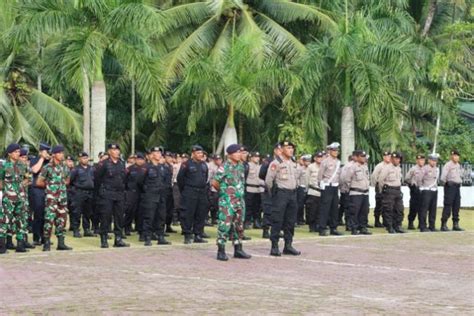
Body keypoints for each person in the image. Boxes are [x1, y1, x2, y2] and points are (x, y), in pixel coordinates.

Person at [212, 144, 251, 261]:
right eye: (237, 152)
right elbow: (215, 182)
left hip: (240, 200)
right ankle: (221, 250)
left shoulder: (241, 166)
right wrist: (225, 192)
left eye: (240, 152)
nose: (239, 154)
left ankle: (238, 249)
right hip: (228, 201)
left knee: (238, 225)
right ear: (229, 155)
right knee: (224, 225)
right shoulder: (224, 166)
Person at [265, 141, 301, 257]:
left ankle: (288, 245)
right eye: (288, 148)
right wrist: (274, 194)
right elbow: (268, 181)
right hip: (281, 194)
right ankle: (274, 246)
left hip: (292, 194)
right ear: (282, 149)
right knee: (277, 220)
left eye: (292, 148)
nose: (291, 150)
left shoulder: (294, 163)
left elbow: (297, 178)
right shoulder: (276, 163)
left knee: (290, 221)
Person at [36, 145, 72, 251]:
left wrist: (61, 185)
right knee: (49, 219)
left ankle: (61, 242)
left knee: (62, 219)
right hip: (51, 198)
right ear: (54, 154)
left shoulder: (65, 167)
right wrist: (50, 186)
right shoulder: (47, 167)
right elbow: (39, 182)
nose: (62, 155)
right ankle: (46, 242)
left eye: (62, 153)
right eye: (59, 153)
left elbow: (67, 180)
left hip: (62, 198)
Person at [95, 143, 129, 248]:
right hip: (107, 193)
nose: (116, 152)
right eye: (113, 150)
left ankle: (118, 239)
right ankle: (104, 239)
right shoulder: (103, 164)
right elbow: (97, 179)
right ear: (109, 152)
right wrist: (100, 193)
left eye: (118, 150)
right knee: (105, 217)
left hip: (119, 194)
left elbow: (124, 178)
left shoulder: (122, 163)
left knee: (119, 217)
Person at [138, 147, 171, 246]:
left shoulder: (163, 167)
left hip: (161, 195)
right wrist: (147, 191)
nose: (159, 154)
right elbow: (140, 181)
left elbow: (166, 181)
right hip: (150, 195)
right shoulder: (146, 167)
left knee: (161, 216)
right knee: (149, 216)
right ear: (151, 155)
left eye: (160, 152)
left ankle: (160, 236)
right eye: (156, 152)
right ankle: (147, 236)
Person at [0, 144, 30, 253]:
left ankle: (20, 245)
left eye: (18, 151)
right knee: (4, 221)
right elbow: (1, 181)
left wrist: (21, 185)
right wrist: (8, 189)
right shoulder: (4, 166)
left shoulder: (22, 165)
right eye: (16, 151)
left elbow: (28, 178)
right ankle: (2, 246)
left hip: (20, 198)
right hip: (8, 198)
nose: (18, 153)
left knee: (20, 221)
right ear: (9, 153)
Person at [177, 145, 209, 244]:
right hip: (190, 191)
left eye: (201, 153)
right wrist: (186, 190)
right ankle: (187, 234)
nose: (200, 155)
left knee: (201, 213)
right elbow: (180, 179)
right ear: (193, 154)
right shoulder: (186, 164)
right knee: (188, 213)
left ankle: (198, 234)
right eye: (198, 153)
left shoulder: (204, 165)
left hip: (201, 192)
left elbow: (205, 177)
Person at [341, 150, 372, 235]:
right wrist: (350, 189)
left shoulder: (365, 167)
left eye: (364, 156)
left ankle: (363, 227)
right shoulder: (353, 167)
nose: (364, 158)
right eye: (362, 156)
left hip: (365, 192)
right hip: (356, 192)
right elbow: (347, 179)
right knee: (354, 211)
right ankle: (354, 228)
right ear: (357, 157)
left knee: (364, 211)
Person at [318, 142, 342, 236]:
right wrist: (321, 184)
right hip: (327, 185)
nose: (336, 152)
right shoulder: (325, 161)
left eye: (337, 150)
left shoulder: (338, 162)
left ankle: (333, 227)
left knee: (334, 208)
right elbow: (320, 175)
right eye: (334, 150)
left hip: (335, 186)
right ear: (330, 151)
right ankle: (322, 227)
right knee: (325, 208)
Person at [376, 152, 404, 234]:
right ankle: (389, 226)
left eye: (398, 159)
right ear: (392, 159)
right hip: (389, 190)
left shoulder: (399, 168)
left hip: (397, 190)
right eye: (395, 158)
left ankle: (398, 225)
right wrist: (383, 191)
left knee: (399, 209)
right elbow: (381, 180)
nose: (397, 160)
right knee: (388, 209)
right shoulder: (387, 168)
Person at [258, 143, 282, 238]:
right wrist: (270, 183)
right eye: (279, 150)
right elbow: (261, 174)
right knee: (268, 210)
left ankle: (276, 230)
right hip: (269, 188)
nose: (281, 152)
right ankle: (266, 230)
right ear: (275, 150)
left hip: (280, 190)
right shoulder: (269, 161)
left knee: (278, 211)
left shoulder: (284, 161)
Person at [69, 152, 95, 238]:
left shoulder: (92, 169)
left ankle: (86, 229)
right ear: (79, 159)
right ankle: (76, 230)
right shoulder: (75, 169)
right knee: (77, 212)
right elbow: (70, 181)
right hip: (79, 193)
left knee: (87, 212)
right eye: (83, 158)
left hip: (89, 193)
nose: (85, 159)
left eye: (86, 158)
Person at [30, 142, 50, 245]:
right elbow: (34, 170)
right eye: (45, 151)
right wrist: (42, 159)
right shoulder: (35, 160)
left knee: (47, 215)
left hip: (48, 190)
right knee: (38, 214)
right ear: (40, 152)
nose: (47, 154)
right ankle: (36, 237)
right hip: (37, 190)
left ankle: (45, 237)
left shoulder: (50, 162)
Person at [440, 150, 464, 231]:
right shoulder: (448, 165)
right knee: (448, 205)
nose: (456, 157)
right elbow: (443, 176)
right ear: (451, 156)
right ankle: (444, 224)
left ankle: (455, 224)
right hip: (450, 186)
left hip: (457, 187)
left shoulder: (458, 165)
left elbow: (460, 176)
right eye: (454, 155)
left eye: (457, 156)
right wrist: (446, 183)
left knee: (457, 205)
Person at [124, 152, 146, 236]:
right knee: (130, 210)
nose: (139, 161)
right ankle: (127, 227)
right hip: (131, 192)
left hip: (141, 192)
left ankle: (139, 228)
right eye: (137, 159)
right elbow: (124, 180)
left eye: (141, 159)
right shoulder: (130, 169)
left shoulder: (145, 168)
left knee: (140, 211)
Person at [418, 153, 440, 232]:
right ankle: (423, 226)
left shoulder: (437, 169)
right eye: (433, 160)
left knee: (433, 209)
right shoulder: (425, 168)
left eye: (435, 161)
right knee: (424, 209)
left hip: (434, 191)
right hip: (426, 190)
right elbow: (419, 179)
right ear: (429, 160)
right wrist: (421, 188)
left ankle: (432, 226)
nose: (434, 162)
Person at [370, 151, 391, 227]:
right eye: (386, 156)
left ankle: (386, 221)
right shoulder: (380, 166)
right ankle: (377, 221)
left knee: (387, 205)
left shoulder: (392, 165)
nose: (387, 157)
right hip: (380, 187)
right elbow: (374, 176)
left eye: (389, 156)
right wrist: (375, 185)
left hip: (389, 188)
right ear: (383, 157)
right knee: (379, 204)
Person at [405, 154, 425, 229]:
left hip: (423, 190)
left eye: (422, 160)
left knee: (422, 208)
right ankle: (411, 222)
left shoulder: (425, 169)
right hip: (415, 190)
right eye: (419, 160)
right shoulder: (413, 169)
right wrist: (411, 186)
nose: (421, 161)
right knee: (414, 207)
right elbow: (407, 179)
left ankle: (421, 223)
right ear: (417, 161)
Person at [305, 151, 324, 233]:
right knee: (312, 210)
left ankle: (318, 225)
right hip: (313, 191)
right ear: (315, 158)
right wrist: (306, 190)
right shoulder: (311, 167)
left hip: (322, 192)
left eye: (321, 157)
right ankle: (312, 226)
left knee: (320, 210)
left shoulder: (324, 167)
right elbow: (306, 179)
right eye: (318, 157)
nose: (320, 159)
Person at [245, 151, 262, 229]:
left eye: (258, 157)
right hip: (249, 188)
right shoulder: (247, 166)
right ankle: (247, 222)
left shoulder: (260, 166)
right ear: (251, 158)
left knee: (257, 207)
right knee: (248, 206)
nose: (257, 158)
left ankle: (256, 221)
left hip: (258, 189)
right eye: (255, 157)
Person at [296, 155, 311, 226]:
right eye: (306, 161)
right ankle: (299, 219)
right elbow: (297, 178)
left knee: (309, 205)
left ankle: (308, 219)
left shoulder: (310, 169)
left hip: (309, 188)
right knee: (300, 205)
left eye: (309, 161)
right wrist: (299, 186)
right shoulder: (300, 169)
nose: (307, 162)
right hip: (301, 187)